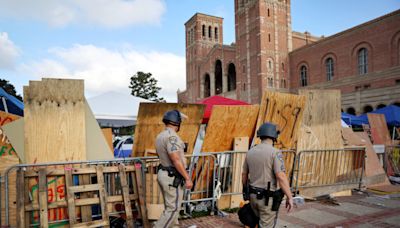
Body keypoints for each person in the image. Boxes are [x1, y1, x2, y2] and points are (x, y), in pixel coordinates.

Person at [242, 122, 293, 228]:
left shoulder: (250, 152)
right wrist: (289, 196)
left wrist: (245, 190)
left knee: (256, 222)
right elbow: (281, 176)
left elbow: (244, 175)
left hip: (253, 196)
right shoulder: (275, 153)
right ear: (274, 136)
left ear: (260, 135)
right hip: (267, 199)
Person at [154, 110, 193, 228]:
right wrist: (187, 178)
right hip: (172, 176)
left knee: (171, 208)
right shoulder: (172, 137)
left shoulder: (160, 135)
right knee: (173, 209)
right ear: (178, 123)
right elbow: (175, 159)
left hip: (165, 173)